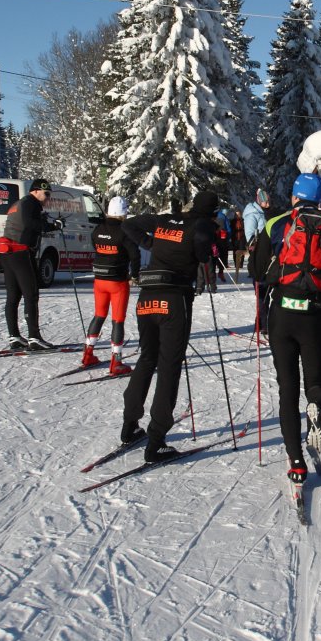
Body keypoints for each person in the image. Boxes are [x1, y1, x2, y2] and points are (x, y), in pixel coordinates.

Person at [250, 173, 321, 484]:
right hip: (314, 314)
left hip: (282, 313)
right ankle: (315, 406)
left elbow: (257, 271)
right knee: (316, 379)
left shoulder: (277, 223)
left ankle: (296, 462)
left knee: (287, 388)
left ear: (294, 197)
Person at [120, 189, 219, 460]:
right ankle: (156, 441)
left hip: (147, 297)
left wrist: (151, 244)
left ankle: (130, 425)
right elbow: (203, 253)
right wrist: (206, 249)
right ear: (212, 212)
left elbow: (128, 224)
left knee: (147, 358)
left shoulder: (166, 219)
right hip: (174, 298)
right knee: (169, 366)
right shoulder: (202, 225)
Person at [0, 178, 61, 350]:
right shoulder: (30, 203)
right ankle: (34, 337)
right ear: (36, 191)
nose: (48, 198)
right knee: (31, 294)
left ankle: (14, 336)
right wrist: (52, 225)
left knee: (13, 296)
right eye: (46, 194)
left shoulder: (20, 203)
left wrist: (47, 223)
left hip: (8, 252)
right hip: (20, 252)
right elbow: (30, 224)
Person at [83, 196, 141, 376]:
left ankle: (87, 354)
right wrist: (135, 275)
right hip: (117, 282)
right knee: (118, 320)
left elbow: (95, 245)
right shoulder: (124, 231)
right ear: (124, 214)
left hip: (99, 280)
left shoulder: (98, 228)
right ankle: (116, 361)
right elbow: (135, 255)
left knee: (99, 315)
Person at [243, 188, 272, 332]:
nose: (269, 204)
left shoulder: (263, 213)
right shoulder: (252, 214)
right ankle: (264, 324)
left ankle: (260, 323)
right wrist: (256, 245)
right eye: (266, 201)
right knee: (261, 291)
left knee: (266, 292)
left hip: (267, 256)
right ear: (260, 201)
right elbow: (250, 237)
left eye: (269, 201)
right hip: (259, 257)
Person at [230, 207, 247, 276]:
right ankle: (236, 263)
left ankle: (241, 264)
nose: (237, 215)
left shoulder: (244, 220)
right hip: (235, 238)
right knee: (235, 251)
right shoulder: (232, 221)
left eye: (239, 214)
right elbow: (231, 229)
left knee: (241, 250)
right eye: (236, 214)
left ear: (241, 214)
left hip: (242, 238)